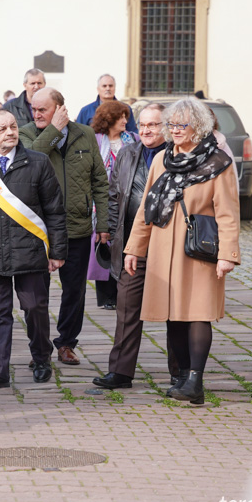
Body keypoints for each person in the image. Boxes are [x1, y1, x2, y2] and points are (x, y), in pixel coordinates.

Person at [123, 97, 241, 405]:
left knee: (197, 313)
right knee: (172, 314)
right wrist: (134, 249)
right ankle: (180, 379)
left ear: (198, 127)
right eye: (171, 124)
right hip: (163, 249)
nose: (174, 130)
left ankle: (195, 381)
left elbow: (228, 212)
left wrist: (227, 255)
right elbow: (146, 208)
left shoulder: (217, 162)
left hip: (199, 250)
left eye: (180, 125)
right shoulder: (163, 159)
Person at [0, 109, 67, 390]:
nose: (10, 132)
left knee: (35, 309)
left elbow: (54, 211)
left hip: (31, 253)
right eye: (2, 129)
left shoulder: (38, 163)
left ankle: (41, 359)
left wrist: (58, 252)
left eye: (13, 126)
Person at [19, 87, 109, 366]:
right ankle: (40, 348)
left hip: (78, 227)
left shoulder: (85, 134)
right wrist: (53, 131)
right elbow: (29, 160)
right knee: (37, 296)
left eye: (42, 109)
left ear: (60, 108)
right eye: (33, 109)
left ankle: (67, 342)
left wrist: (103, 224)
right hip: (40, 231)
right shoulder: (26, 133)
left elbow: (100, 182)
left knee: (75, 291)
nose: (36, 115)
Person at [92, 104, 169, 390]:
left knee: (174, 314)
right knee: (126, 311)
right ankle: (120, 372)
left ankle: (180, 372)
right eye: (144, 125)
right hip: (131, 248)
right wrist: (112, 235)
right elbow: (114, 198)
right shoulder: (127, 154)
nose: (147, 130)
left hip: (166, 247)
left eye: (154, 124)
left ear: (167, 126)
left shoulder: (175, 157)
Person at [88, 100, 137, 310]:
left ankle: (124, 290)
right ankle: (106, 296)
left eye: (126, 116)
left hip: (125, 198)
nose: (125, 121)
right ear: (109, 120)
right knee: (104, 243)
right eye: (121, 117)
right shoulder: (96, 140)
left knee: (125, 242)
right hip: (100, 200)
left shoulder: (132, 139)